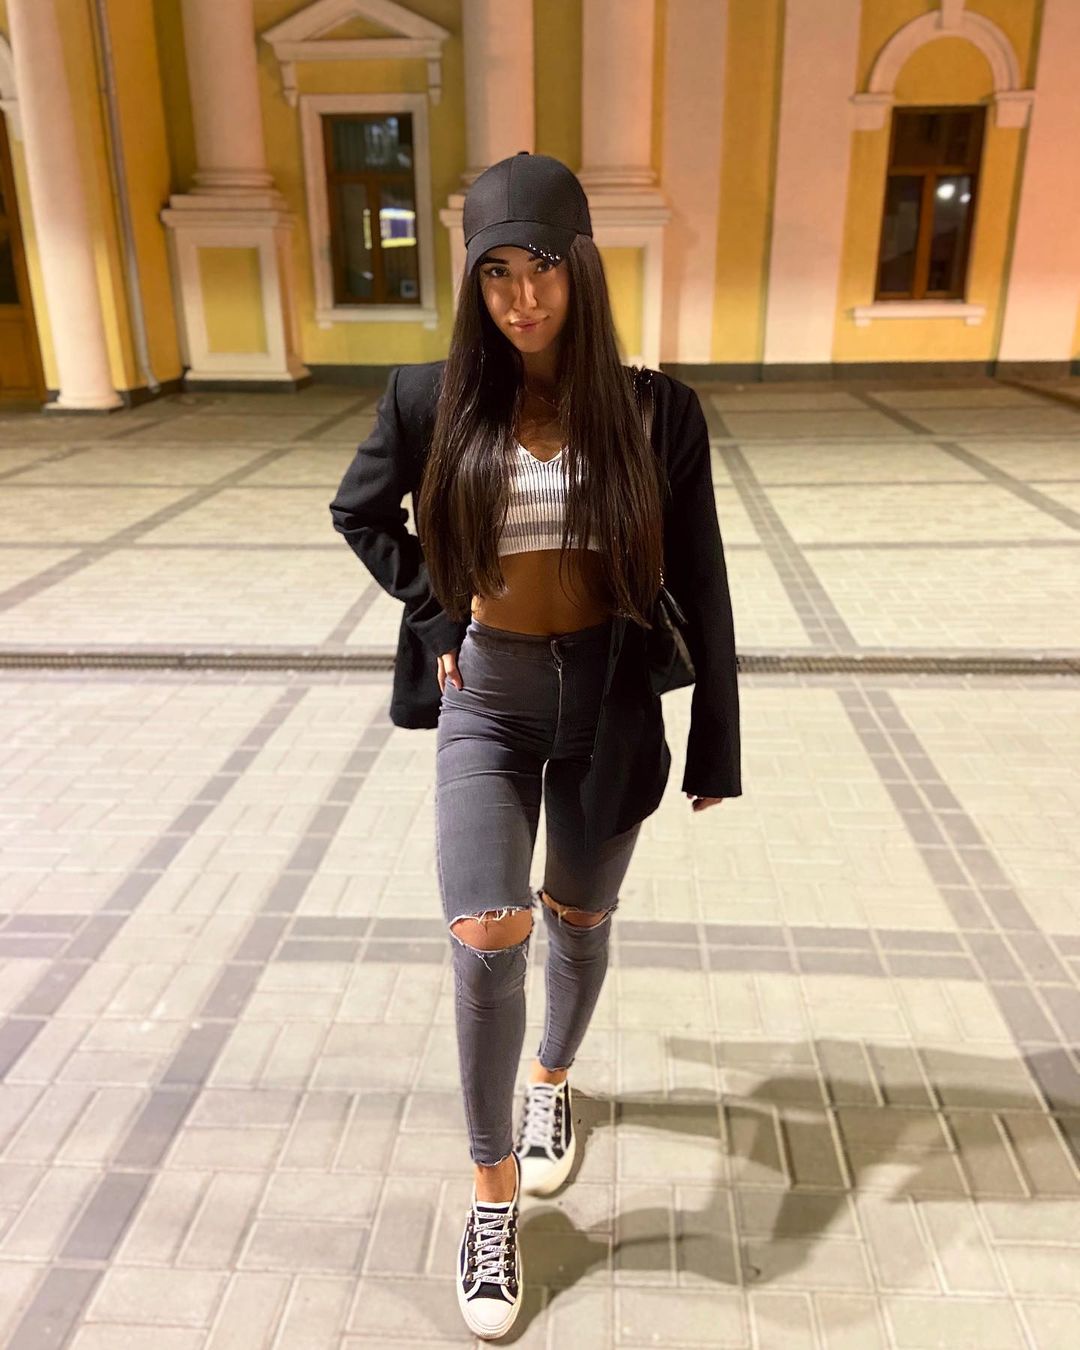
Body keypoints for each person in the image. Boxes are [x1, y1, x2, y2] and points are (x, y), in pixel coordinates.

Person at [329, 150, 741, 1340]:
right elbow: (359, 511)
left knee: (579, 918)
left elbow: (704, 576)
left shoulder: (656, 412)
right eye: (496, 272)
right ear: (473, 279)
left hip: (611, 697)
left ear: (583, 270)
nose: (521, 297)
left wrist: (717, 736)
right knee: (484, 933)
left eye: (543, 268)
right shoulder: (431, 399)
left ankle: (553, 1082)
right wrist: (439, 615)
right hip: (491, 700)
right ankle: (493, 1194)